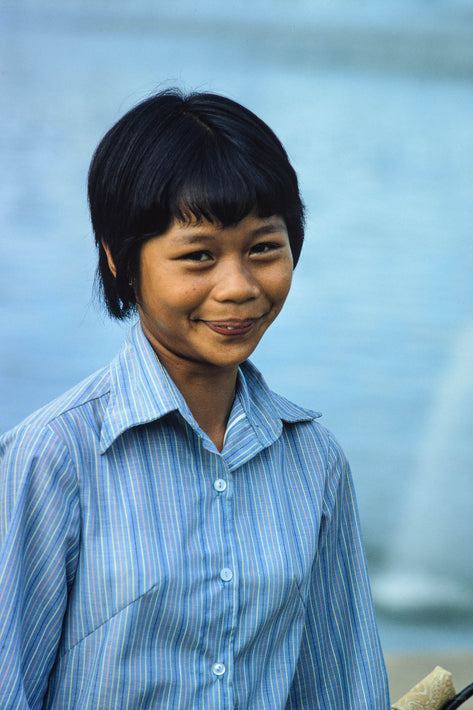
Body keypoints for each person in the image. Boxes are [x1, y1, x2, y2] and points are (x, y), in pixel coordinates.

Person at [0, 89, 390, 709]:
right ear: (119, 260)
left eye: (264, 248)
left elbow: (345, 688)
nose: (236, 287)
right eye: (198, 256)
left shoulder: (315, 462)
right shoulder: (54, 456)